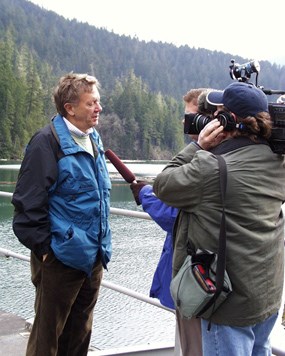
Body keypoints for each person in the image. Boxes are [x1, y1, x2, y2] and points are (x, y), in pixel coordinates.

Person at [153, 81, 285, 356]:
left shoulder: (210, 168)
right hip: (266, 298)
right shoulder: (277, 162)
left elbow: (163, 185)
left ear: (226, 121)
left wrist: (198, 146)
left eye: (216, 114)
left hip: (227, 305)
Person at [12, 73, 112, 356]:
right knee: (48, 340)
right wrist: (47, 251)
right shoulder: (46, 142)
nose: (98, 108)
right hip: (60, 259)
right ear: (70, 108)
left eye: (98, 102)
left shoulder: (94, 139)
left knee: (79, 335)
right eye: (92, 103)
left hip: (93, 258)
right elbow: (27, 206)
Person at [130, 88, 211, 356]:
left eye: (190, 116)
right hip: (199, 275)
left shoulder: (204, 160)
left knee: (194, 347)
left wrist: (144, 194)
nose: (184, 122)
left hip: (198, 277)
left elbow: (172, 215)